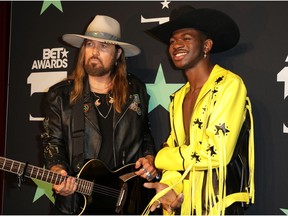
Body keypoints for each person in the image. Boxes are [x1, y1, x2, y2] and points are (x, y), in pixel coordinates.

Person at [142, 5, 255, 215]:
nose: (176, 45)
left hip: (219, 205)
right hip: (185, 207)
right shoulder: (178, 98)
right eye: (173, 41)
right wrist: (170, 187)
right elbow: (179, 152)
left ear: (207, 45)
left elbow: (216, 151)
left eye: (186, 38)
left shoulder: (229, 85)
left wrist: (161, 157)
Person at [41, 15, 158, 215]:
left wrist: (149, 158)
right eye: (89, 44)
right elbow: (53, 142)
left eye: (104, 46)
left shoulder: (135, 89)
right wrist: (57, 171)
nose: (94, 52)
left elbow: (144, 133)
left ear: (118, 53)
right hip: (78, 202)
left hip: (129, 201)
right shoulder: (60, 95)